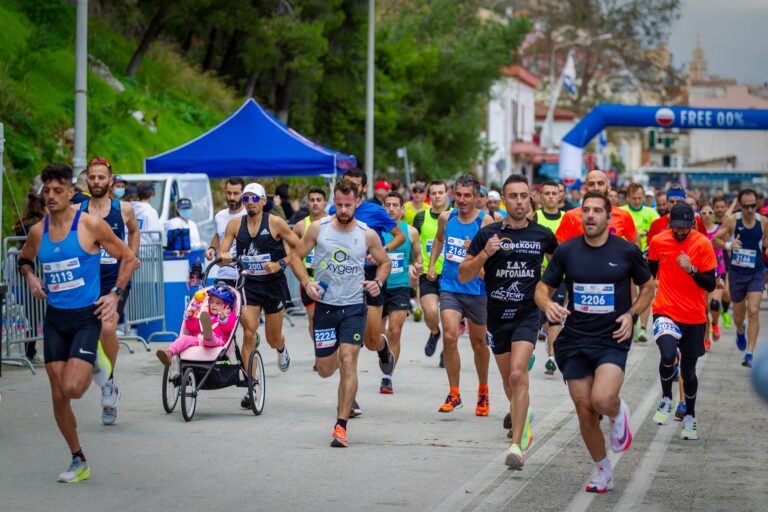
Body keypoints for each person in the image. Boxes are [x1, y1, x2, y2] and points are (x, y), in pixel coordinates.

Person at [17, 163, 138, 482]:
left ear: (71, 192)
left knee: (72, 387)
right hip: (55, 320)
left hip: (86, 317)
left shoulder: (90, 226)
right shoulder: (38, 232)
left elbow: (129, 257)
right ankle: (78, 459)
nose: (51, 196)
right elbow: (24, 259)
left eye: (58, 190)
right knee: (59, 395)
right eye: (47, 190)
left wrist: (114, 294)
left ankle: (99, 363)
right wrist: (30, 277)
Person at [535, 191, 655, 493]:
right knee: (584, 408)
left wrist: (632, 314)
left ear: (608, 216)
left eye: (597, 210)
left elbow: (648, 286)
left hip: (611, 338)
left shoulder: (626, 251)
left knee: (601, 400)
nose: (590, 215)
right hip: (574, 340)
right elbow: (542, 288)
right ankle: (603, 471)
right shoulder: (567, 251)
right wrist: (547, 304)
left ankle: (618, 411)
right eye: (586, 210)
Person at [459, 175, 557, 469]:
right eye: (513, 196)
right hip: (496, 315)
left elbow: (561, 265)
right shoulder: (487, 234)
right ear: (503, 199)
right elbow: (463, 274)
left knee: (517, 374)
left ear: (530, 199)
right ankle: (523, 415)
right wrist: (485, 254)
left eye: (523, 196)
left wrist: (547, 293)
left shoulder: (542, 235)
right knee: (507, 379)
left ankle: (516, 445)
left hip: (528, 312)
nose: (518, 201)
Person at [289, 180, 391, 447]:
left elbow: (385, 262)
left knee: (348, 360)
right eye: (340, 205)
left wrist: (378, 282)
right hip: (325, 307)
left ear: (357, 202)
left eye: (349, 205)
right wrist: (306, 282)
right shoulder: (318, 228)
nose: (344, 210)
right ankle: (340, 388)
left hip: (354, 307)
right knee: (325, 370)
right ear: (334, 202)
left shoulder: (367, 234)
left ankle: (341, 425)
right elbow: (295, 257)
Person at [219, 182, 305, 407]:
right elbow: (222, 252)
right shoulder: (235, 224)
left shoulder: (275, 222)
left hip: (273, 285)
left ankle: (281, 348)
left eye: (254, 198)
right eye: (246, 198)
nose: (250, 202)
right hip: (248, 284)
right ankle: (252, 385)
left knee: (272, 338)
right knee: (249, 333)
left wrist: (279, 264)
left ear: (264, 201)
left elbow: (300, 248)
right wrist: (224, 256)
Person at [330, 169, 404, 408]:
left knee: (371, 340)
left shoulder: (375, 211)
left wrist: (382, 251)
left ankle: (382, 347)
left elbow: (399, 236)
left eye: (355, 185)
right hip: (344, 279)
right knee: (348, 345)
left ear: (363, 188)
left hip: (372, 276)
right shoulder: (334, 211)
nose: (350, 188)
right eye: (346, 183)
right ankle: (349, 400)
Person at [648, 202, 717, 439]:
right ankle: (667, 398)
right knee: (668, 355)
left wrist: (691, 270)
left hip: (694, 316)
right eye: (676, 226)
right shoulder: (658, 241)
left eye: (684, 227)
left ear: (692, 224)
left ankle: (690, 416)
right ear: (669, 224)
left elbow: (710, 283)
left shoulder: (703, 244)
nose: (680, 231)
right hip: (665, 310)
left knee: (688, 372)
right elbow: (650, 270)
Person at [428, 174, 495, 415]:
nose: (462, 200)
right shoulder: (446, 217)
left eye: (468, 196)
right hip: (450, 287)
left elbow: (491, 257)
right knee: (449, 336)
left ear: (477, 197)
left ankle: (483, 390)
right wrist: (432, 264)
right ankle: (454, 393)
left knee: (479, 343)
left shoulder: (485, 221)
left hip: (477, 290)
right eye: (459, 195)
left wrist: (474, 251)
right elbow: (439, 239)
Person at [80, 156, 140, 425]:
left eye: (101, 177)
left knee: (107, 328)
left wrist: (132, 255)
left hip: (116, 281)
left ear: (110, 180)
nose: (96, 181)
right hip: (86, 282)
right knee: (86, 336)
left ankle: (109, 384)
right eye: (92, 177)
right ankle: (101, 372)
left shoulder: (123, 208)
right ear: (87, 179)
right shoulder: (77, 209)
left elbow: (134, 232)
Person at [713, 189, 768, 367]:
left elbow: (766, 241)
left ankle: (749, 354)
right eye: (746, 206)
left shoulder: (763, 221)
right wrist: (730, 244)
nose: (750, 210)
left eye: (753, 206)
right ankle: (740, 329)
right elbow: (715, 240)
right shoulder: (732, 220)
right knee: (739, 316)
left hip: (756, 272)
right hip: (737, 273)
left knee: (753, 310)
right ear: (740, 206)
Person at [380, 191, 423, 393]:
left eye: (395, 205)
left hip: (400, 287)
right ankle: (383, 352)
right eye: (388, 205)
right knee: (375, 336)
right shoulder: (376, 230)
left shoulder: (411, 232)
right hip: (378, 286)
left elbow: (418, 255)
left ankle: (387, 377)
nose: (391, 209)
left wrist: (417, 266)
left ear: (402, 209)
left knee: (395, 332)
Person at [414, 180, 450, 365]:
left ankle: (446, 352)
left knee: (449, 319)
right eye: (433, 193)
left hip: (451, 274)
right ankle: (435, 333)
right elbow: (414, 243)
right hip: (429, 273)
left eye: (440, 192)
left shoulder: (455, 215)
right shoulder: (421, 217)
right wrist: (415, 263)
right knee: (430, 312)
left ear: (447, 194)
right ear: (429, 196)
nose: (437, 196)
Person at [156, 284, 237, 365]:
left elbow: (229, 327)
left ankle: (208, 335)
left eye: (218, 303)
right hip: (199, 340)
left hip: (218, 343)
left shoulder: (230, 316)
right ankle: (169, 353)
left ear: (227, 307)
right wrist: (190, 318)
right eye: (211, 302)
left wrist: (223, 319)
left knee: (209, 338)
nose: (213, 305)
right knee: (184, 338)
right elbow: (194, 328)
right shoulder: (206, 315)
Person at [621, 183, 660, 343]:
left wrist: (647, 234)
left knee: (647, 289)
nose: (637, 201)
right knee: (631, 292)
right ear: (628, 198)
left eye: (639, 198)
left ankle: (643, 327)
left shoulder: (651, 213)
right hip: (627, 256)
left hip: (646, 256)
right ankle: (633, 320)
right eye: (634, 198)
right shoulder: (622, 212)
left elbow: (660, 231)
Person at [555, 171, 638, 246]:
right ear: (585, 189)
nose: (596, 188)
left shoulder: (623, 215)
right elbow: (557, 248)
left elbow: (635, 243)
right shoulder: (571, 216)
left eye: (600, 183)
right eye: (591, 184)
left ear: (608, 188)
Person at [535, 181, 566, 375]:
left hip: (560, 278)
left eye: (554, 193)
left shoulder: (567, 218)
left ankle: (551, 358)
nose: (551, 197)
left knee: (555, 316)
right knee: (540, 318)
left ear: (560, 196)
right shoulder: (534, 217)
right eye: (547, 193)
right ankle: (544, 334)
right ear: (541, 196)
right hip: (535, 279)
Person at [292, 187, 329, 350]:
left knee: (330, 319)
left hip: (330, 280)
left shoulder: (332, 222)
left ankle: (332, 350)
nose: (315, 203)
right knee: (314, 320)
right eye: (312, 200)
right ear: (307, 203)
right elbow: (289, 250)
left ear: (325, 203)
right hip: (309, 281)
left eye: (318, 200)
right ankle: (319, 351)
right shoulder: (300, 226)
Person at [13, 193, 46, 363]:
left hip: (26, 276)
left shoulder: (21, 224)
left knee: (31, 316)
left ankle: (30, 351)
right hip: (39, 273)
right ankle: (30, 352)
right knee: (38, 315)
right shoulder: (40, 225)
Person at [206, 177, 246, 286]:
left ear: (243, 194)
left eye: (236, 193)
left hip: (245, 273)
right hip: (224, 274)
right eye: (229, 193)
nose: (232, 197)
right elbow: (218, 235)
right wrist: (212, 248)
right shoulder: (219, 216)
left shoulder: (249, 214)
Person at [700, 202, 726, 348]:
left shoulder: (720, 230)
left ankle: (715, 323)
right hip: (702, 273)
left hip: (718, 272)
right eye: (704, 213)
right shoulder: (696, 231)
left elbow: (728, 246)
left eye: (710, 212)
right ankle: (706, 338)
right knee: (703, 309)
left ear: (714, 214)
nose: (707, 216)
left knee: (714, 305)